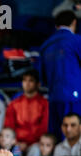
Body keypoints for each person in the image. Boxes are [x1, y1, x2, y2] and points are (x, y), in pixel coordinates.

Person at [40, 10, 81, 141]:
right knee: (74, 137)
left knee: (56, 137)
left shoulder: (45, 45)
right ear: (74, 23)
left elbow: (43, 79)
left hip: (54, 98)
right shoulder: (76, 40)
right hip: (74, 98)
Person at [4, 69, 49, 156]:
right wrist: (16, 142)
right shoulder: (14, 104)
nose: (27, 83)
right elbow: (9, 126)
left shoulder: (44, 104)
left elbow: (44, 128)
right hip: (16, 143)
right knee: (7, 150)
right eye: (24, 80)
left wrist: (28, 143)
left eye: (31, 80)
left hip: (35, 143)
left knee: (35, 151)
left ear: (38, 84)